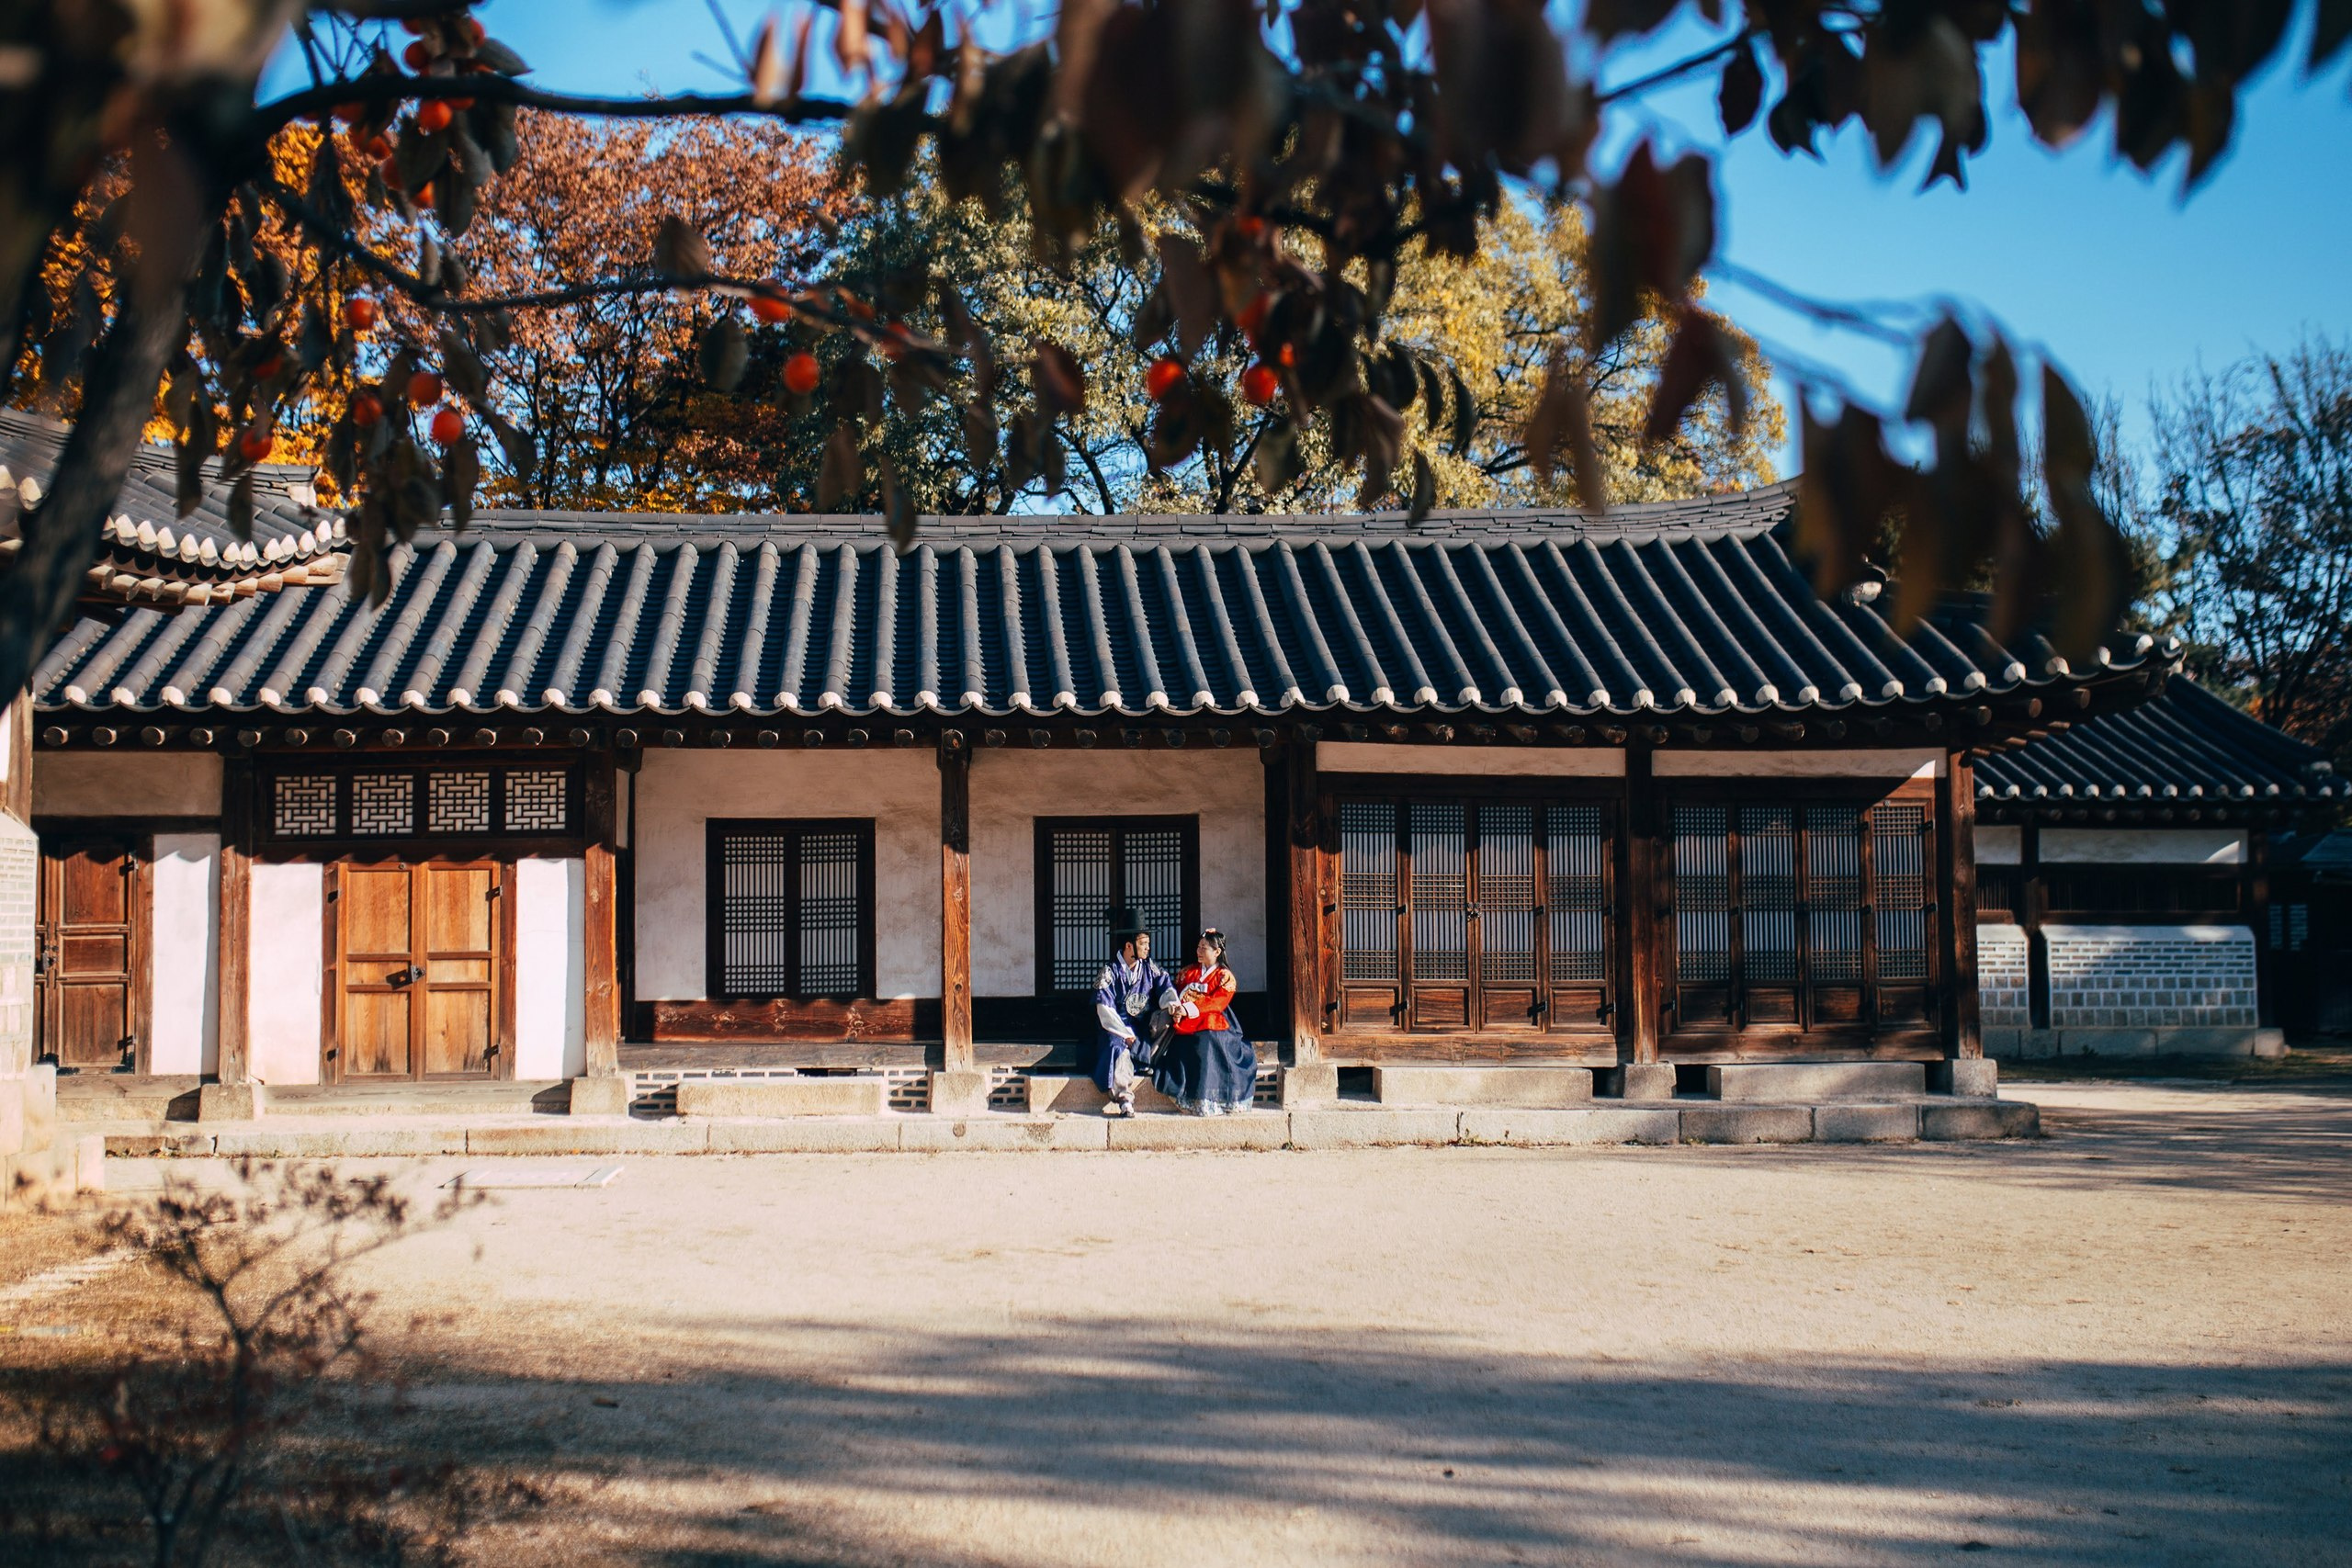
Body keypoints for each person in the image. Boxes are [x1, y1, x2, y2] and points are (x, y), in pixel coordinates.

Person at [1154, 929, 1259, 1116]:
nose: (1199, 951)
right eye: (1198, 947)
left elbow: (1216, 1002)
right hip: (1185, 1020)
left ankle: (1212, 1097)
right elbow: (1176, 994)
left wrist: (1189, 1009)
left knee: (1208, 1041)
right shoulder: (1187, 973)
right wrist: (1177, 1009)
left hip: (1214, 1019)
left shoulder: (1224, 976)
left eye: (1204, 948)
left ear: (1217, 952)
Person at [1091, 908, 1177, 1118]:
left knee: (1171, 1018)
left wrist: (1173, 1004)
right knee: (1117, 1047)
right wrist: (1125, 1035)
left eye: (1148, 943)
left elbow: (1165, 987)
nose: (1148, 948)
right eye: (1143, 943)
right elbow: (1104, 1010)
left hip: (1142, 1026)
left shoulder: (1150, 968)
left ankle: (1146, 1059)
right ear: (1129, 945)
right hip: (1117, 1029)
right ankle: (1124, 1099)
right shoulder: (1109, 972)